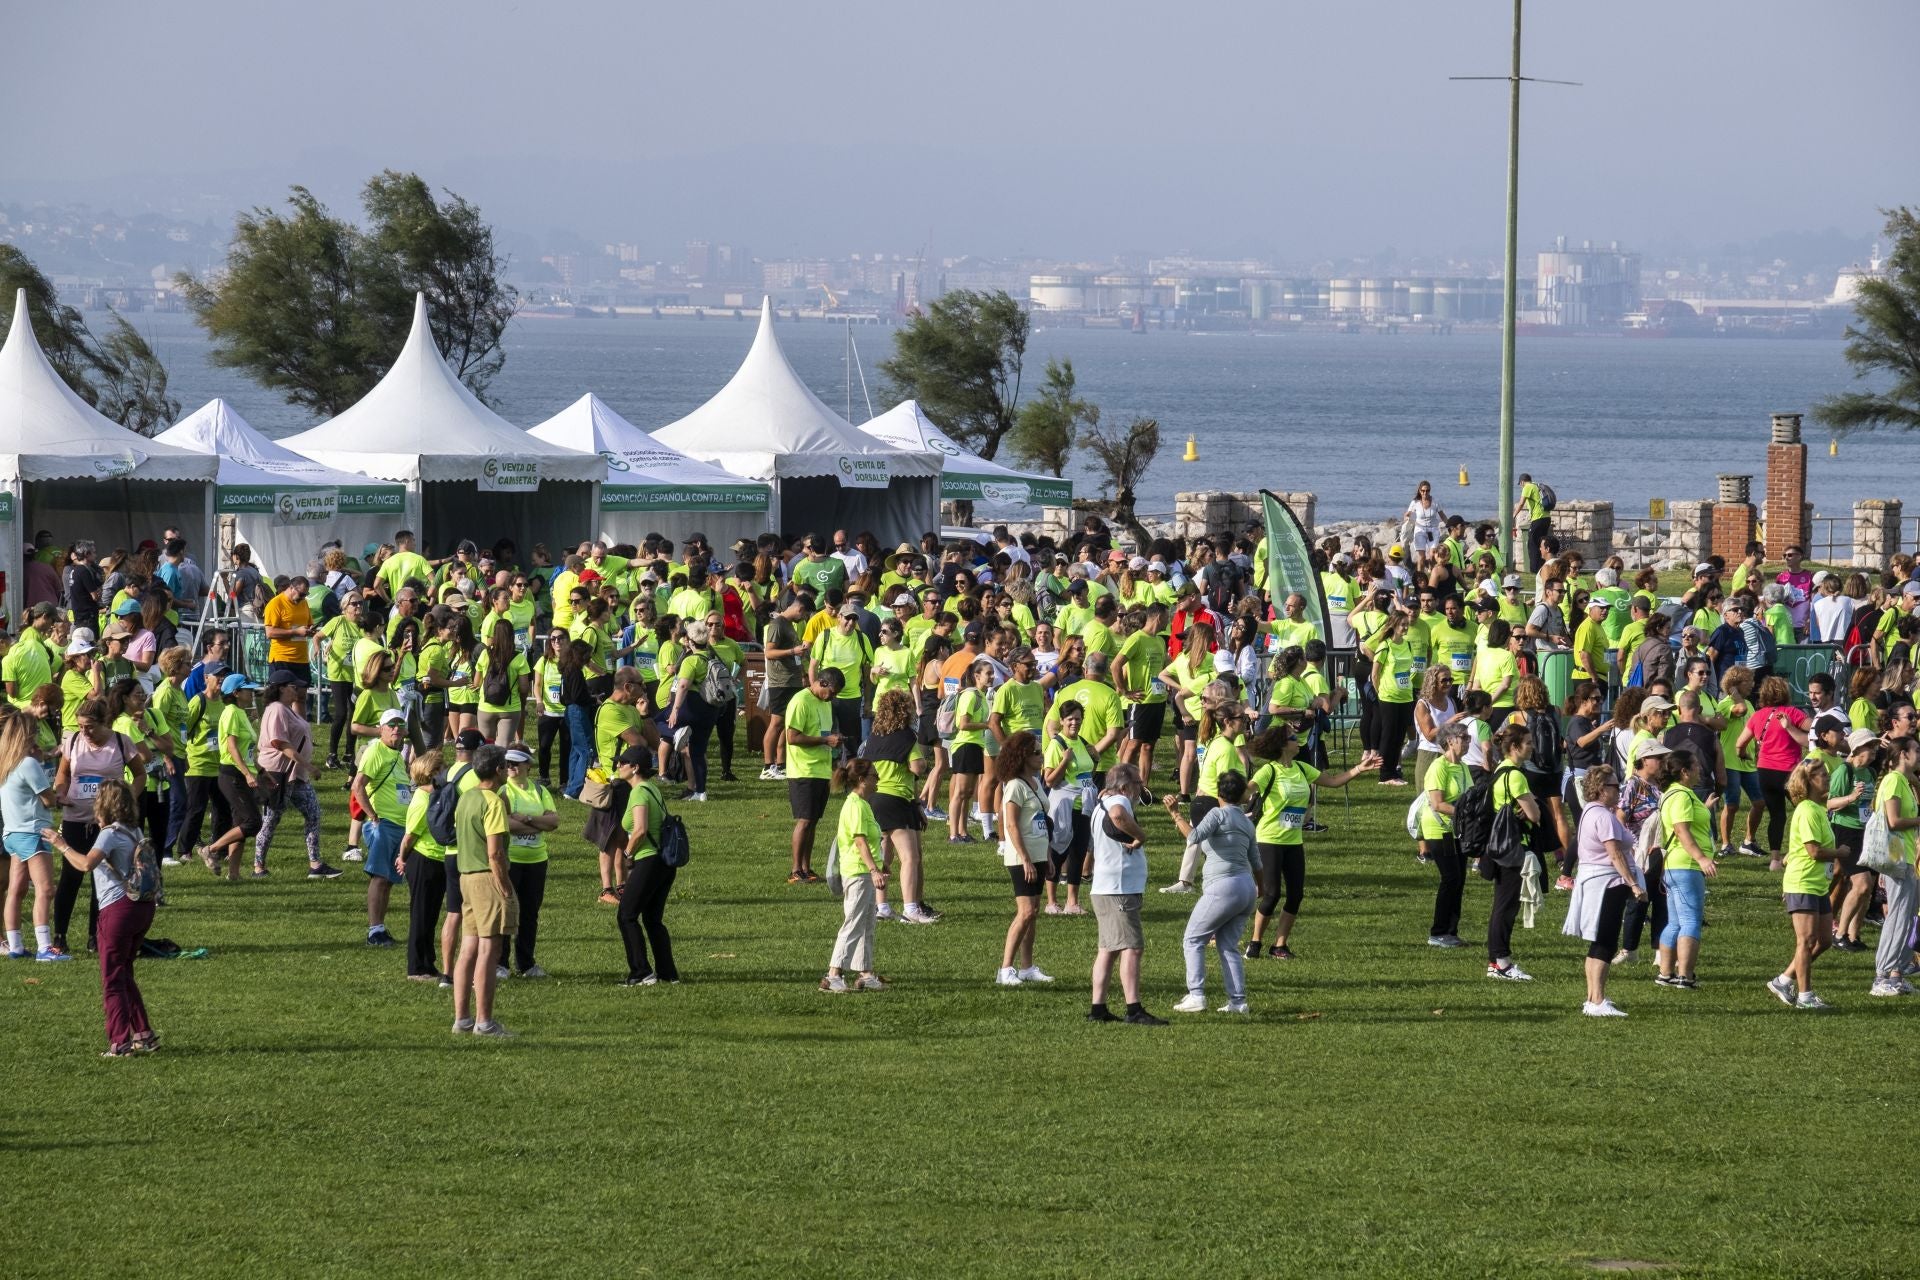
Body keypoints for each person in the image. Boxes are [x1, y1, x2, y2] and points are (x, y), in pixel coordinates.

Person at [1243, 725, 1376, 960]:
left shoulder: (1302, 769)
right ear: (1284, 744)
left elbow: (1334, 781)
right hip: (1269, 839)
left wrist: (1359, 769)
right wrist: (1228, 791)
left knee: (1296, 894)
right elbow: (1246, 792)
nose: (1298, 741)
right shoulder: (1268, 771)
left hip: (1294, 840)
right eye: (1293, 738)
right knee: (1272, 894)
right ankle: (1255, 942)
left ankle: (1279, 946)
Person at [50, 781, 157, 1056]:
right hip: (142, 907)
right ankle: (143, 1034)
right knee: (125, 971)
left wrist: (61, 845)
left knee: (112, 978)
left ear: (103, 804)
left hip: (117, 910)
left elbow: (86, 864)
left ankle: (120, 1042)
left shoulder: (108, 834)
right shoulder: (133, 829)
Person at [1162, 769, 1259, 1014]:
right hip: (1246, 888)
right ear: (1242, 796)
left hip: (1223, 887)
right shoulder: (1246, 822)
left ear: (1219, 794)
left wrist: (1175, 814)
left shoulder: (1217, 813)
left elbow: (1193, 836)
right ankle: (1238, 1002)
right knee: (1227, 945)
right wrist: (1262, 889)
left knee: (1193, 939)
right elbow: (1257, 862)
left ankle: (1196, 995)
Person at [1561, 766, 1647, 1017]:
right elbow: (1615, 853)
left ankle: (1592, 998)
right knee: (1605, 943)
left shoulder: (1591, 812)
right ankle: (1597, 1000)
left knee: (1600, 942)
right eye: (1613, 785)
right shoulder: (1603, 816)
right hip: (1608, 885)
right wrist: (1633, 884)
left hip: (1598, 883)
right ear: (1600, 789)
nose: (1618, 789)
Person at [1085, 763, 1164, 1025]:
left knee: (1108, 949)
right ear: (1123, 786)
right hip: (1118, 888)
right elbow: (1118, 815)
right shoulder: (1119, 800)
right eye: (1138, 784)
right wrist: (1141, 835)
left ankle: (1098, 1009)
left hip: (1105, 886)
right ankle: (1134, 1009)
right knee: (1132, 947)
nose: (1140, 789)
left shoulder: (1100, 805)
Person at [1765, 758, 1842, 1010]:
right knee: (1807, 940)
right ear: (1808, 782)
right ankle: (1805, 996)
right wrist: (1840, 852)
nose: (1827, 778)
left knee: (1824, 941)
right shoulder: (1807, 809)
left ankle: (1784, 979)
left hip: (1817, 882)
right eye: (1821, 775)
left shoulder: (1819, 808)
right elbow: (1813, 851)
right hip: (1803, 882)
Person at [451, 744, 516, 1036]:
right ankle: (485, 1022)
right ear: (499, 769)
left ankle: (462, 1019)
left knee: (468, 949)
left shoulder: (466, 797)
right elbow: (495, 852)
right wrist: (503, 884)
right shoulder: (492, 802)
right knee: (490, 950)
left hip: (464, 876)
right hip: (487, 878)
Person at [860, 689, 934, 925]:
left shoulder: (874, 736)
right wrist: (923, 760)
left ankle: (881, 906)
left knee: (884, 857)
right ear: (905, 711)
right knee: (910, 857)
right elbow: (916, 768)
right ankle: (911, 909)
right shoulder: (906, 736)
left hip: (875, 799)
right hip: (895, 799)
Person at [255, 678, 335, 880]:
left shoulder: (287, 708)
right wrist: (309, 766)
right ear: (281, 688)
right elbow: (279, 742)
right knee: (271, 820)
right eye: (294, 686)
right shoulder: (277, 709)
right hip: (278, 774)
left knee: (314, 813)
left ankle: (315, 865)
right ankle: (258, 866)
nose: (298, 689)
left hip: (296, 775)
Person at [992, 730, 1055, 987]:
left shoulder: (1036, 782)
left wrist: (1047, 855)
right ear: (1024, 756)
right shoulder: (1015, 786)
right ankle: (1005, 969)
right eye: (1037, 753)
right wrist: (1026, 859)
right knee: (1026, 911)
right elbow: (1012, 825)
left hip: (1040, 853)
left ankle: (1027, 966)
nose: (1041, 757)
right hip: (1022, 858)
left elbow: (1040, 820)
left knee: (1034, 913)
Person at [821, 758, 887, 994]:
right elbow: (860, 841)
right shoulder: (856, 806)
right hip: (858, 873)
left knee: (867, 924)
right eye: (874, 776)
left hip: (864, 872)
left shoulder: (863, 804)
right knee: (853, 923)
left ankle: (865, 972)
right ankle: (833, 975)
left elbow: (870, 839)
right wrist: (873, 869)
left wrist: (880, 865)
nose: (877, 780)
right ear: (861, 780)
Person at [613, 746, 677, 986]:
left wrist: (628, 854)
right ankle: (667, 974)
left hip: (648, 860)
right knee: (652, 919)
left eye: (622, 763)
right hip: (663, 863)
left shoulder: (639, 792)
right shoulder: (653, 789)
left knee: (626, 915)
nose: (618, 766)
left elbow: (639, 829)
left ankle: (641, 972)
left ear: (635, 767)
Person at [1656, 746, 1718, 989]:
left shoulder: (1675, 793)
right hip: (1687, 865)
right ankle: (1686, 975)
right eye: (1695, 765)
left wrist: (1704, 808)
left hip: (1674, 865)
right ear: (1684, 772)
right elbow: (1681, 831)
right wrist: (1702, 858)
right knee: (1691, 920)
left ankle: (1666, 973)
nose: (1699, 768)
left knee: (1675, 922)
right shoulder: (1682, 795)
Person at [1484, 723, 1542, 982]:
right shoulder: (1516, 776)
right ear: (1515, 747)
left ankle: (1496, 960)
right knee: (1506, 906)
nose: (1532, 747)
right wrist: (1533, 806)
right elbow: (1534, 814)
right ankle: (1501, 962)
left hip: (1499, 846)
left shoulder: (1500, 770)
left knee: (1502, 904)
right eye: (1528, 743)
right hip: (1513, 847)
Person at [1, 714, 62, 961]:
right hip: (33, 831)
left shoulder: (6, 762)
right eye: (35, 730)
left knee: (15, 890)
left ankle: (15, 945)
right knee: (45, 889)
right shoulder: (28, 764)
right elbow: (48, 798)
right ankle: (44, 947)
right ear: (27, 734)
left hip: (12, 833)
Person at [351, 708, 410, 947]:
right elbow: (358, 785)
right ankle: (374, 930)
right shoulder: (376, 750)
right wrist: (373, 816)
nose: (396, 729)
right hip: (384, 824)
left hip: (398, 825)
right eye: (391, 725)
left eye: (400, 725)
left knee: (387, 880)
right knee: (379, 877)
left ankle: (381, 928)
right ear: (382, 729)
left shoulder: (396, 753)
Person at [1736, 676, 1808, 870]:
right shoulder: (1792, 712)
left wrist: (1743, 755)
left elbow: (1740, 743)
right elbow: (1814, 728)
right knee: (1805, 810)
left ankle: (1775, 859)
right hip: (1789, 772)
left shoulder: (1757, 716)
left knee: (1777, 815)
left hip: (1765, 771)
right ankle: (1802, 850)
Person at [501, 744, 559, 978]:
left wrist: (524, 818)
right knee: (507, 911)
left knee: (530, 913)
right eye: (508, 763)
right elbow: (504, 824)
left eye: (516, 762)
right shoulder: (502, 791)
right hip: (511, 859)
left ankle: (526, 963)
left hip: (536, 860)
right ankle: (501, 964)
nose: (511, 767)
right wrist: (537, 822)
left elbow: (554, 821)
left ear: (528, 765)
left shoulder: (539, 790)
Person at [1870, 735, 1920, 998]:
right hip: (1898, 859)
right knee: (1898, 918)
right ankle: (1882, 976)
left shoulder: (1904, 781)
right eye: (1916, 750)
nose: (1919, 754)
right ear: (1902, 754)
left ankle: (1896, 974)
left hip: (1907, 858)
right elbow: (1893, 821)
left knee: (1908, 917)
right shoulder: (1893, 781)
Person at [783, 667, 843, 884]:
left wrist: (833, 740)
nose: (833, 697)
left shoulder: (825, 704)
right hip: (803, 770)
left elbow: (822, 734)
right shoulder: (800, 701)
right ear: (822, 683)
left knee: (814, 821)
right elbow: (792, 737)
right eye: (833, 692)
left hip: (821, 769)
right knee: (804, 821)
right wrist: (825, 741)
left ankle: (807, 868)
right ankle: (795, 869)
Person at [1420, 720, 1476, 947]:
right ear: (1450, 741)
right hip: (1438, 829)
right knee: (1450, 878)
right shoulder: (1438, 767)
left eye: (1469, 738)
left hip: (1456, 830)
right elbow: (1437, 804)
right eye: (1464, 738)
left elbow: (1469, 796)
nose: (1468, 743)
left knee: (1459, 879)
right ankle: (1438, 932)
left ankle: (1451, 931)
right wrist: (1466, 815)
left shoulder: (1462, 767)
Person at [396, 755, 449, 983]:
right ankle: (416, 968)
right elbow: (409, 837)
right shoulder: (422, 799)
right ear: (433, 772)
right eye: (442, 767)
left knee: (431, 915)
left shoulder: (435, 795)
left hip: (437, 861)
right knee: (421, 915)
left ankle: (428, 963)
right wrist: (401, 858)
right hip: (423, 861)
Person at [1829, 728, 1880, 953]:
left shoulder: (1869, 773)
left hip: (1865, 832)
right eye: (1871, 746)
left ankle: (1853, 934)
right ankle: (1839, 934)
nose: (1875, 750)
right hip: (1846, 832)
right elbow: (1829, 803)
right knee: (1862, 884)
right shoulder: (1844, 771)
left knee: (1867, 888)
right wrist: (1851, 798)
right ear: (1857, 749)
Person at [946, 658, 994, 844]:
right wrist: (987, 725)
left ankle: (963, 831)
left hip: (975, 745)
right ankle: (953, 834)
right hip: (965, 745)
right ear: (977, 676)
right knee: (960, 792)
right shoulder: (971, 695)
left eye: (991, 673)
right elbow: (963, 724)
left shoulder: (981, 696)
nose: (991, 677)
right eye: (987, 673)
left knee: (967, 793)